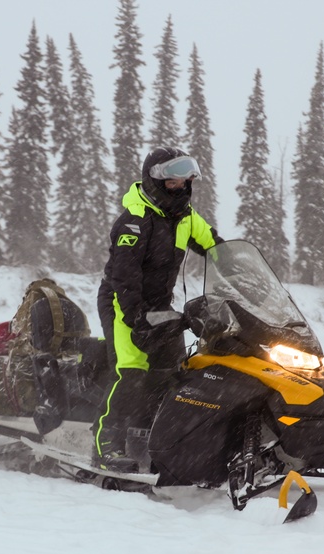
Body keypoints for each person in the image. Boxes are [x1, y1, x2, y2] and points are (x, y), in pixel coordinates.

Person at [92, 146, 223, 472]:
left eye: (185, 181)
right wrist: (135, 318)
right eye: (174, 182)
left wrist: (244, 274)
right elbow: (125, 275)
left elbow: (215, 247)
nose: (182, 187)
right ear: (155, 181)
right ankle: (105, 444)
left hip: (159, 305)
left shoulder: (186, 218)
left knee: (176, 371)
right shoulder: (135, 221)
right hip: (121, 302)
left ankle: (161, 441)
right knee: (132, 369)